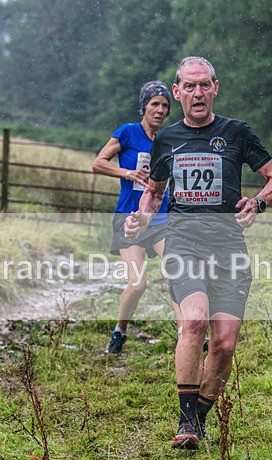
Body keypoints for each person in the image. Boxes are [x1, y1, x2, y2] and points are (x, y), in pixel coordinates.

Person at [125, 57, 272, 449]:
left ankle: (198, 418)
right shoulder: (166, 140)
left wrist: (258, 203)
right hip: (184, 243)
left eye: (204, 85)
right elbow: (153, 193)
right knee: (195, 322)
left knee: (225, 344)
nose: (197, 93)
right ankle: (185, 421)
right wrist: (142, 217)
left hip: (229, 248)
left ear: (215, 88)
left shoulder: (236, 133)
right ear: (177, 91)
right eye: (189, 86)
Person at [92, 81, 184, 354]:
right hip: (129, 218)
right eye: (155, 104)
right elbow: (98, 163)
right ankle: (119, 331)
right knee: (138, 284)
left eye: (165, 105)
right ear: (144, 106)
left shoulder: (169, 138)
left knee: (177, 274)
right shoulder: (128, 132)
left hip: (159, 219)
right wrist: (128, 173)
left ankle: (185, 335)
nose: (160, 110)